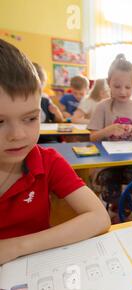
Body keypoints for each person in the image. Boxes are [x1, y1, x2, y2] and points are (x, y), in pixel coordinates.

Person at [0, 39, 110, 265]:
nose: (18, 134)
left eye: (31, 118)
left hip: (36, 270)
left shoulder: (46, 161)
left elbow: (99, 218)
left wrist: (16, 246)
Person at [88, 54, 132, 223]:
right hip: (108, 161)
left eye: (128, 87)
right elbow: (92, 137)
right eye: (117, 86)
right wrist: (107, 130)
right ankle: (114, 209)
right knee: (109, 183)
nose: (122, 91)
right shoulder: (103, 107)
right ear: (109, 83)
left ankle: (121, 213)